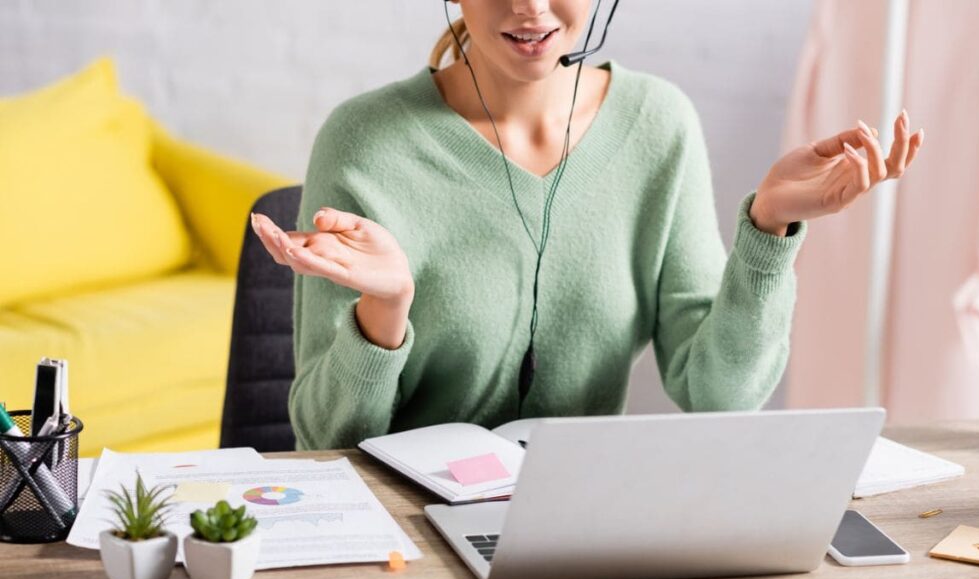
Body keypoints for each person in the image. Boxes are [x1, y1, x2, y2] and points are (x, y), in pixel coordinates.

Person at [251, 0, 924, 451]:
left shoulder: (659, 126)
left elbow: (720, 393)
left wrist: (768, 229)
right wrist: (385, 309)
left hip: (579, 535)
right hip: (406, 540)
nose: (531, 7)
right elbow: (323, 439)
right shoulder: (365, 142)